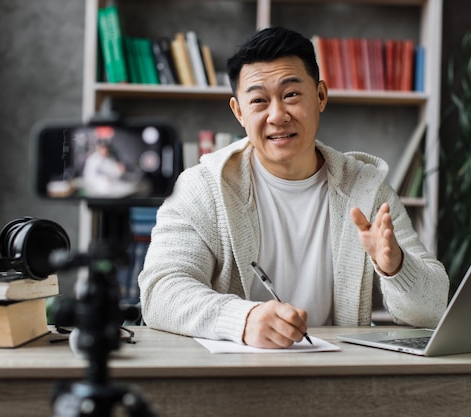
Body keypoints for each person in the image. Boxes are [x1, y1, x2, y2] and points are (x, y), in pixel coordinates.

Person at [138, 26, 449, 349]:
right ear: (239, 112)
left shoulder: (366, 188)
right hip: (231, 378)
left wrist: (396, 266)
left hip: (338, 378)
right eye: (259, 100)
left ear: (320, 97)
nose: (277, 115)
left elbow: (433, 310)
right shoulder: (202, 187)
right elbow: (161, 291)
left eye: (291, 95)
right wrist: (243, 320)